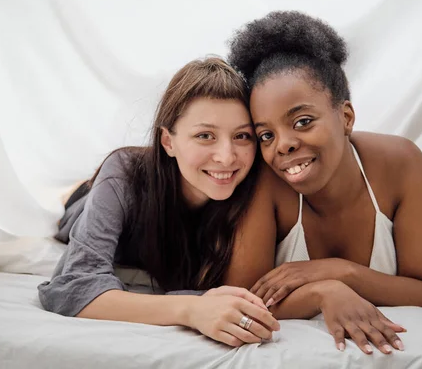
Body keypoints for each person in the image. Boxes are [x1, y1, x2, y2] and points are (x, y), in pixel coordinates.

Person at [224, 11, 422, 354]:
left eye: (302, 121)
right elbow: (243, 303)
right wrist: (324, 291)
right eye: (266, 134)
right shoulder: (265, 181)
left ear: (345, 117)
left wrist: (341, 273)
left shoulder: (400, 163)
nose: (282, 144)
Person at [38, 57, 280, 348]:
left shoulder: (253, 187)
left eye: (242, 136)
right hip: (96, 199)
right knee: (77, 207)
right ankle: (74, 190)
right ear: (168, 141)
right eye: (205, 135)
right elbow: (71, 289)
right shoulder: (124, 176)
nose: (226, 156)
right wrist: (191, 309)